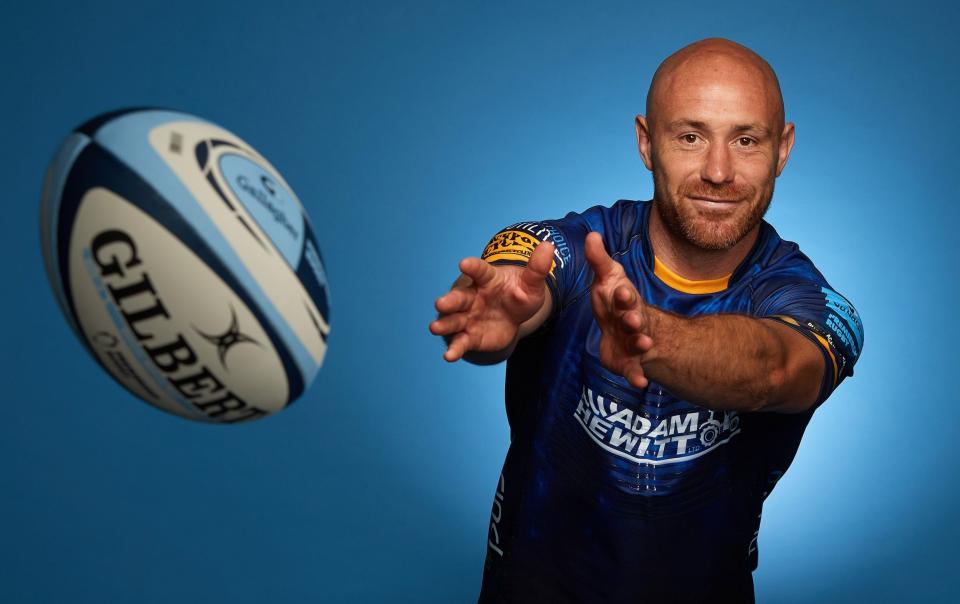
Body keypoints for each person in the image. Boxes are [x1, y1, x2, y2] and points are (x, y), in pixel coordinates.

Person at [429, 38, 863, 603]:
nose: (718, 171)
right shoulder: (584, 247)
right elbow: (523, 273)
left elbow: (777, 370)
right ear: (645, 142)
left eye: (746, 140)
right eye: (690, 136)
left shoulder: (808, 298)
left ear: (783, 150)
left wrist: (651, 338)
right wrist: (502, 315)